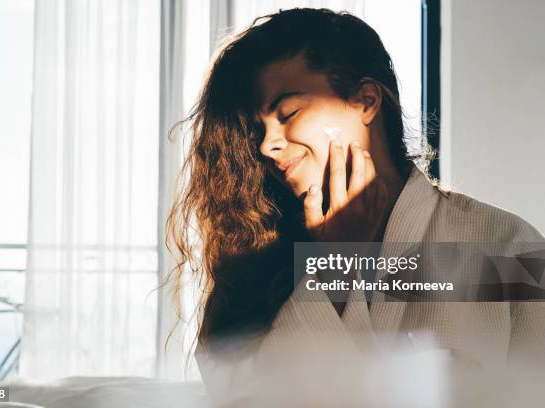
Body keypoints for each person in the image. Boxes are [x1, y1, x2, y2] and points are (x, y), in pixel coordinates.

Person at [166, 7, 545, 403]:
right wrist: (334, 269)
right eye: (259, 129)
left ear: (366, 101)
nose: (266, 144)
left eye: (289, 112)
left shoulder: (508, 246)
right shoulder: (252, 267)